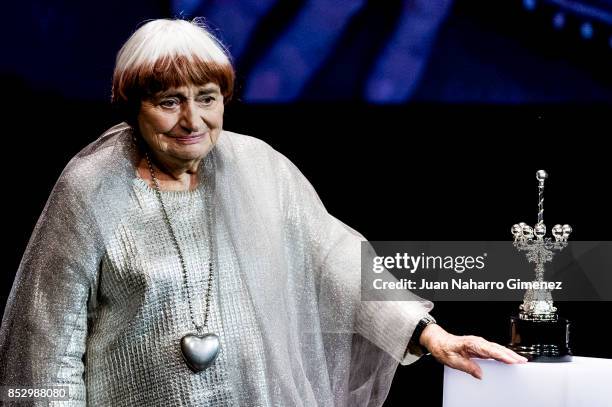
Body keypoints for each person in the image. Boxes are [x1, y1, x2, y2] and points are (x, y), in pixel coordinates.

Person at [0, 18, 526, 406]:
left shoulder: (259, 166)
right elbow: (44, 338)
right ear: (133, 106)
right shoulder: (89, 189)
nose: (192, 119)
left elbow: (334, 260)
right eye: (168, 101)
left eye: (207, 98)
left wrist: (430, 336)